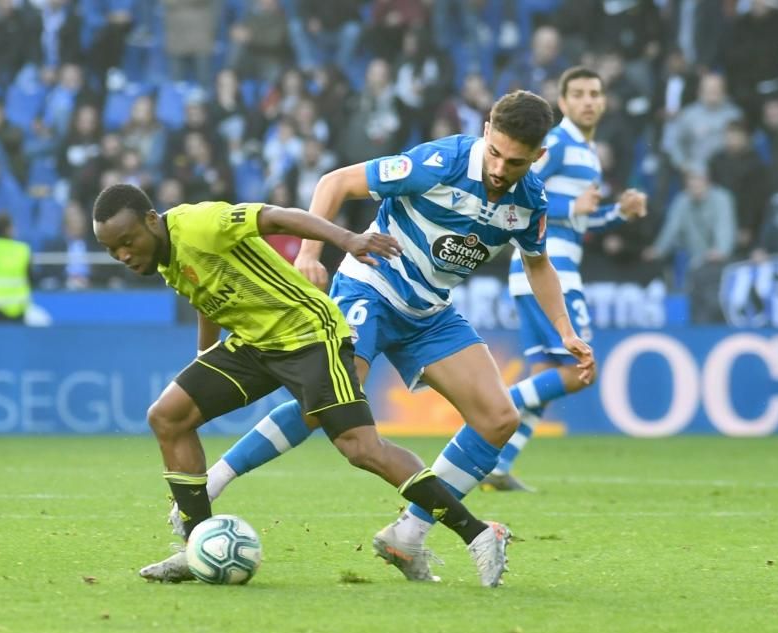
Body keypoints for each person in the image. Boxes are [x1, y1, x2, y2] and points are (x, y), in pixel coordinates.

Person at [204, 90, 595, 582]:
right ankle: (210, 484)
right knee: (326, 403)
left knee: (499, 419)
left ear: (537, 156)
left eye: (514, 161)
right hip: (371, 285)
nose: (499, 168)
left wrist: (566, 331)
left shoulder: (530, 200)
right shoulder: (440, 162)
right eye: (494, 152)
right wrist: (309, 252)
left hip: (430, 313)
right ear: (485, 134)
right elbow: (335, 182)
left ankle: (408, 536)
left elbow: (538, 265)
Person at [91, 184, 512, 587]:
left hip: (311, 335)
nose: (123, 254)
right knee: (168, 416)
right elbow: (205, 295)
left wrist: (346, 239)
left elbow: (276, 217)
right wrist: (204, 355)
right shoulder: (165, 255)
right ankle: (197, 544)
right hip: (255, 343)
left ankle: (477, 534)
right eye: (112, 250)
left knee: (361, 448)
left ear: (151, 219)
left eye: (127, 241)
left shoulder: (200, 223)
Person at [483, 67, 648, 491]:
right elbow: (524, 193)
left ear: (605, 100)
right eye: (578, 94)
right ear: (564, 102)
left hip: (553, 264)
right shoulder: (555, 142)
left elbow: (576, 220)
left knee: (545, 372)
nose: (589, 101)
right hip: (548, 269)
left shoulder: (587, 152)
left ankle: (498, 467)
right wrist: (572, 203)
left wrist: (618, 214)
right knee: (579, 370)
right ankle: (487, 412)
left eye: (595, 93)